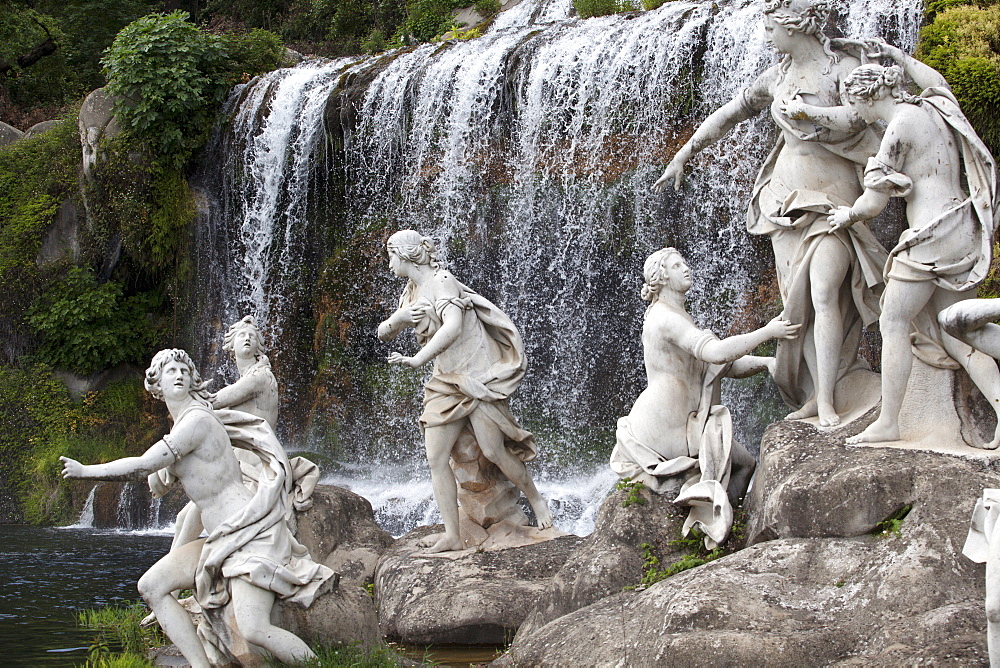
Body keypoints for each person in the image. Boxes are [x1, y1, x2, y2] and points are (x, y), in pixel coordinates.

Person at [653, 0, 886, 428]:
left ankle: (831, 399)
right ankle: (816, 395)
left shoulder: (843, 68)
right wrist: (685, 152)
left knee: (824, 293)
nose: (765, 36)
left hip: (831, 199)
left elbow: (864, 116)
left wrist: (810, 113)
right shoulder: (776, 76)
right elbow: (730, 114)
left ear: (794, 28)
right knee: (798, 306)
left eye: (771, 28)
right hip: (781, 201)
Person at [60, 349, 333, 667]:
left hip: (249, 533)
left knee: (254, 628)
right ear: (156, 385)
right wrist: (161, 473)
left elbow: (141, 467)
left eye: (184, 370)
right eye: (170, 370)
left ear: (193, 380)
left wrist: (86, 470)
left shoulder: (198, 421)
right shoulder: (181, 430)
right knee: (152, 586)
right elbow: (165, 488)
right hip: (221, 538)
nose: (179, 375)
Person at [804, 62, 1000, 447]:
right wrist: (896, 53)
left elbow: (873, 202)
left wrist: (847, 215)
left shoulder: (900, 125)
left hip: (931, 233)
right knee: (960, 333)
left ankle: (889, 421)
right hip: (962, 225)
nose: (858, 116)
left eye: (856, 106)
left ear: (870, 96)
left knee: (893, 318)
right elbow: (939, 82)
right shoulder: (934, 107)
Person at [610, 248, 800, 547]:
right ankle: (704, 535)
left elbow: (722, 366)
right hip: (661, 427)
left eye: (684, 262)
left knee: (745, 463)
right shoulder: (664, 318)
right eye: (676, 265)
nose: (685, 268)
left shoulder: (678, 315)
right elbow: (715, 352)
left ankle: (718, 536)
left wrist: (765, 363)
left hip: (684, 420)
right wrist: (768, 332)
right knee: (731, 458)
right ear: (661, 277)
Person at [377, 230, 553, 553]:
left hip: (476, 372)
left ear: (406, 256)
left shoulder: (442, 280)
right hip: (445, 379)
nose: (389, 265)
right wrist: (400, 318)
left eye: (391, 257)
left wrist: (417, 358)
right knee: (435, 456)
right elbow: (382, 333)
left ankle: (537, 500)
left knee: (494, 450)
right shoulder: (411, 293)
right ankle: (452, 535)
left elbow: (453, 326)